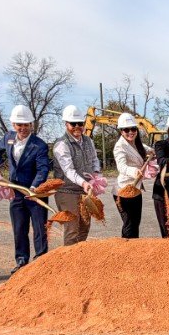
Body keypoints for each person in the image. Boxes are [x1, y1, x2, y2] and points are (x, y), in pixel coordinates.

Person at [0, 105, 50, 273]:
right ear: (13, 124)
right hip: (15, 190)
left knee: (39, 228)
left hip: (36, 191)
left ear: (31, 124)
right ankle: (22, 260)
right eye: (19, 125)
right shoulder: (8, 138)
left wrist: (33, 188)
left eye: (26, 124)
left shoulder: (39, 145)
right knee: (19, 227)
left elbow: (43, 169)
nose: (23, 128)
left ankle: (41, 262)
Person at [52, 104, 101, 246]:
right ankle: (68, 258)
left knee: (84, 227)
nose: (77, 127)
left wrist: (96, 176)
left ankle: (79, 256)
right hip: (67, 191)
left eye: (80, 123)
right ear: (66, 124)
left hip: (85, 191)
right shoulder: (61, 144)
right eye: (73, 124)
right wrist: (84, 182)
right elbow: (68, 170)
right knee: (72, 228)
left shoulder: (88, 141)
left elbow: (94, 160)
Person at [113, 112, 154, 238]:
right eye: (126, 130)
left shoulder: (137, 143)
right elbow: (121, 166)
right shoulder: (119, 146)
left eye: (133, 129)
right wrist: (134, 171)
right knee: (129, 223)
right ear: (121, 131)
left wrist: (153, 151)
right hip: (123, 190)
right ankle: (126, 247)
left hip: (136, 189)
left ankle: (134, 246)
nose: (130, 132)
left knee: (135, 222)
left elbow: (148, 149)